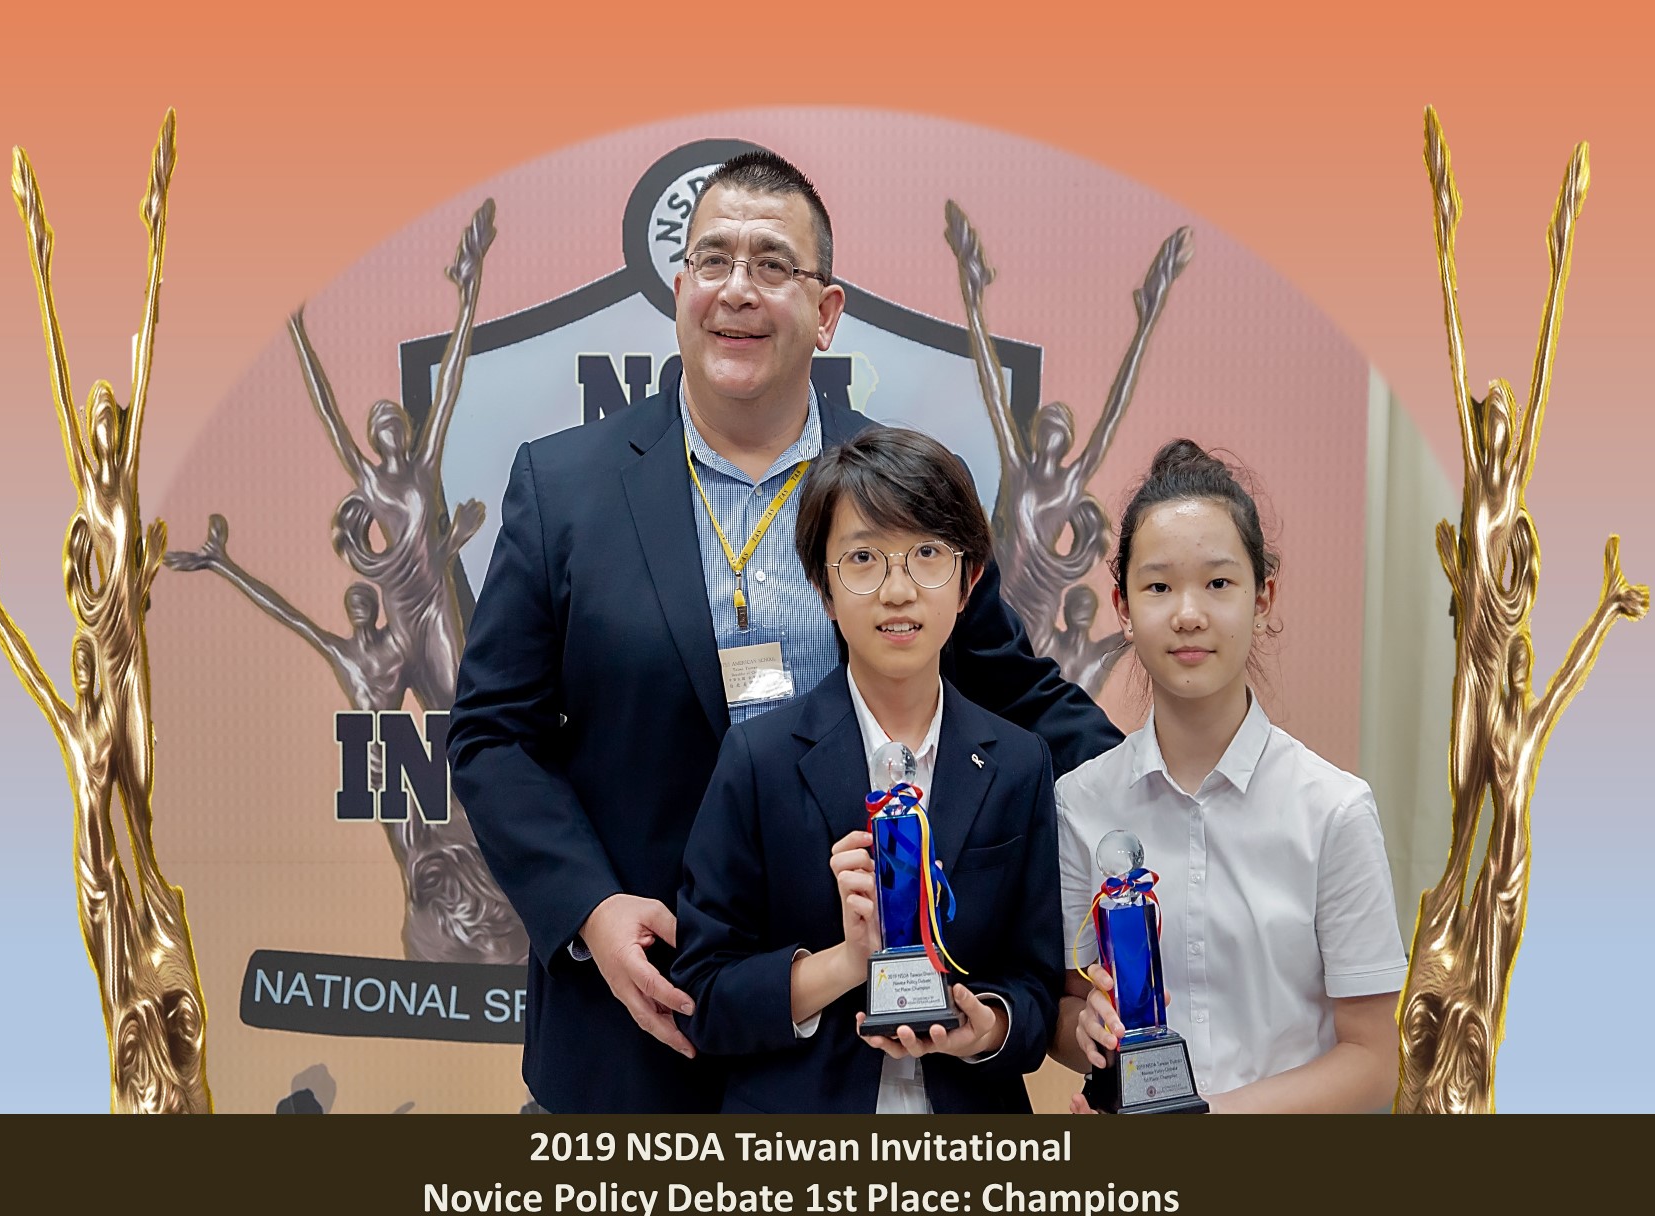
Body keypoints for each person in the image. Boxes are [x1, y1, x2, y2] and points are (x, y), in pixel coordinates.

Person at [449, 149, 1120, 1113]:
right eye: (712, 260)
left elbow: (1016, 696)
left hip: (849, 1038)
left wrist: (1163, 797)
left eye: (772, 264)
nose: (737, 289)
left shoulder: (894, 496)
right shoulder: (563, 489)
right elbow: (491, 735)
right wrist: (587, 907)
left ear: (826, 310)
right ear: (678, 290)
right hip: (640, 1015)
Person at [672, 428, 1060, 1113]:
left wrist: (986, 1028)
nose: (897, 590)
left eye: (927, 554)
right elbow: (704, 995)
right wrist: (846, 963)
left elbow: (1035, 987)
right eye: (862, 559)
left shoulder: (1018, 762)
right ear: (823, 589)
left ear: (968, 581)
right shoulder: (759, 759)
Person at [1050, 440, 1407, 1112]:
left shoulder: (1333, 811)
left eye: (1218, 584)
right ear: (1122, 606)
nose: (1188, 614)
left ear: (1263, 597)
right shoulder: (1079, 803)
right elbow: (1071, 1009)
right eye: (1158, 587)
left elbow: (1371, 1061)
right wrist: (1086, 1032)